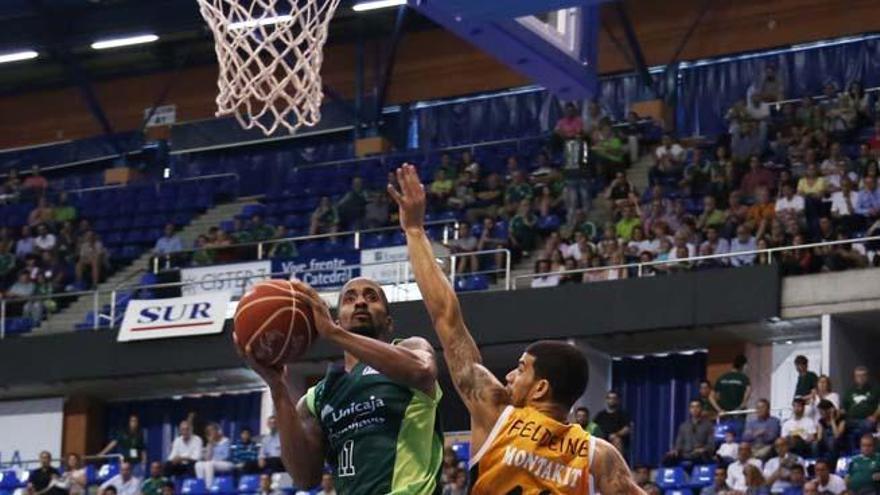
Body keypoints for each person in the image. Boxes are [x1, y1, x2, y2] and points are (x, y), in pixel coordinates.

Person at [386, 164, 644, 494]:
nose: (509, 376)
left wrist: (414, 231)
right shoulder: (600, 456)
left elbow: (447, 319)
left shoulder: (496, 412)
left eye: (521, 369)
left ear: (540, 388)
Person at [243, 275, 443, 492]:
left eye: (371, 297)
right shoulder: (316, 399)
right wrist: (278, 389)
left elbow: (422, 371)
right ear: (337, 320)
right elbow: (305, 478)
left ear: (389, 322)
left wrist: (333, 333)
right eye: (349, 298)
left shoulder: (411, 349)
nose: (360, 302)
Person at [663, 399, 715, 466]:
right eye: (692, 407)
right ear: (689, 409)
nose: (695, 409)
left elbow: (711, 445)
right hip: (684, 454)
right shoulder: (683, 426)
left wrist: (703, 449)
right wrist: (675, 451)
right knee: (667, 459)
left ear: (701, 409)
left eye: (697, 407)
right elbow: (679, 444)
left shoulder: (708, 426)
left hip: (699, 455)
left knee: (701, 457)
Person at [842, 366, 880, 453]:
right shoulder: (849, 391)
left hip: (867, 419)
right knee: (841, 427)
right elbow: (844, 408)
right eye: (858, 376)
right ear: (855, 378)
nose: (861, 378)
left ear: (867, 377)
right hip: (852, 420)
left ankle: (863, 451)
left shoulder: (875, 389)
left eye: (863, 375)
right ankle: (851, 451)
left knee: (866, 425)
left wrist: (875, 416)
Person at [713, 355, 752, 421]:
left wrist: (719, 409)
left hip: (724, 414)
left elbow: (711, 397)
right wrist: (741, 407)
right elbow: (748, 392)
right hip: (738, 415)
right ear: (744, 365)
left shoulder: (722, 377)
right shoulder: (744, 378)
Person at [594, 390, 634, 456]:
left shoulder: (622, 414)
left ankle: (617, 464)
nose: (611, 400)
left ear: (617, 400)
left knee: (617, 440)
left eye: (614, 398)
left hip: (616, 439)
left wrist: (616, 434)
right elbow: (594, 427)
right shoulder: (600, 415)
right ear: (607, 400)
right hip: (602, 439)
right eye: (609, 398)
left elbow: (627, 428)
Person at [195, 423, 233, 487]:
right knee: (198, 464)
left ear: (217, 431)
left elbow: (225, 456)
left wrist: (213, 459)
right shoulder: (210, 443)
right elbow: (207, 458)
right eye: (208, 431)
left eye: (212, 430)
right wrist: (211, 444)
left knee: (209, 464)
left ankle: (209, 488)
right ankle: (201, 486)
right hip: (213, 463)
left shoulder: (226, 441)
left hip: (227, 463)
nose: (211, 433)